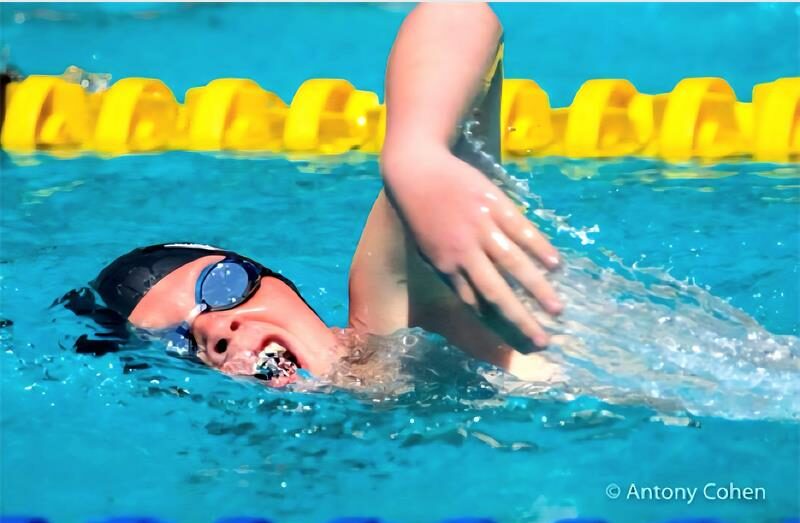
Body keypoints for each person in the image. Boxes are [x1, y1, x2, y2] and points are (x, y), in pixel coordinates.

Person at [62, 3, 564, 386]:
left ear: (279, 282)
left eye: (221, 287)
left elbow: (456, 12)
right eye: (177, 342)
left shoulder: (404, 322)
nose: (216, 330)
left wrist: (415, 156)